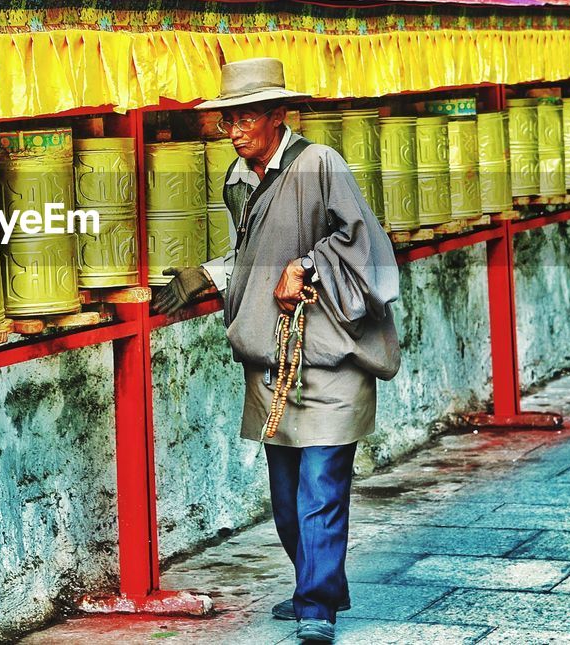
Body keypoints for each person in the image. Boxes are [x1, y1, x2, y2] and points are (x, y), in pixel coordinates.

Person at [153, 57, 401, 644]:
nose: (233, 132)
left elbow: (362, 240)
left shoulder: (319, 164)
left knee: (320, 487)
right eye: (226, 121)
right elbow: (254, 255)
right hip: (276, 362)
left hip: (333, 354)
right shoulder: (238, 183)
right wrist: (209, 277)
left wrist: (306, 264)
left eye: (244, 119)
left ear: (276, 116)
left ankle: (317, 605)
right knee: (286, 500)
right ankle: (321, 583)